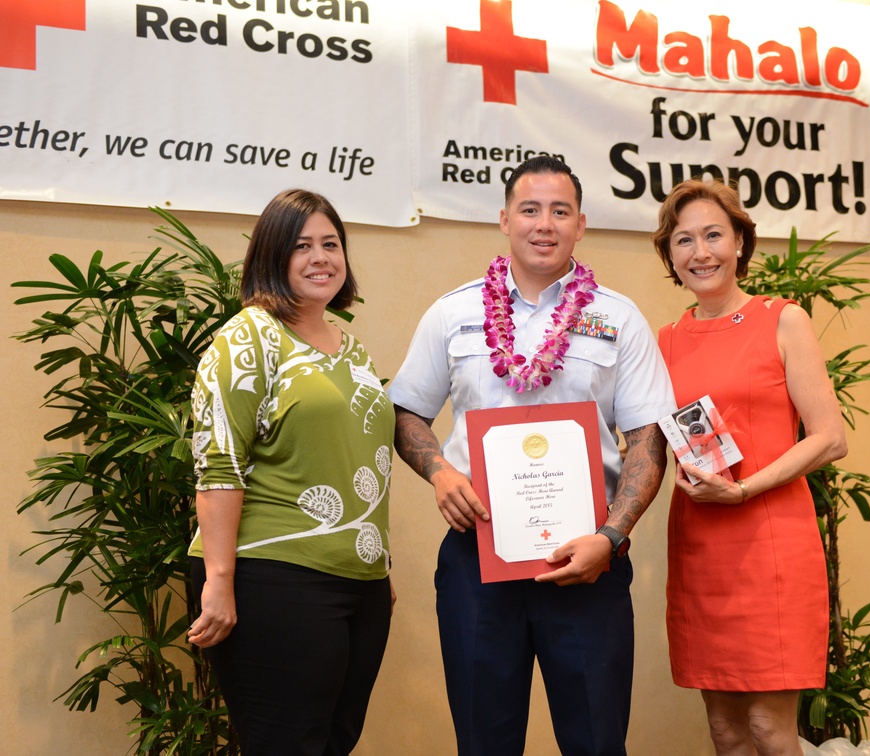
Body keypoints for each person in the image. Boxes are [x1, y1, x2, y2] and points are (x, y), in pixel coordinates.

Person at [387, 156, 674, 755]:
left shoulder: (618, 319)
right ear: (504, 220)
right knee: (484, 743)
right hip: (477, 562)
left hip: (589, 562)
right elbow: (406, 409)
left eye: (560, 210)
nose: (545, 223)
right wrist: (439, 471)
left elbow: (648, 438)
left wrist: (613, 535)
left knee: (596, 742)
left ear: (581, 224)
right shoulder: (453, 313)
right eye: (530, 209)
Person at [186, 189, 395, 755]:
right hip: (274, 579)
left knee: (333, 743)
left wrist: (373, 561)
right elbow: (219, 466)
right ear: (272, 255)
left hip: (360, 586)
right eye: (302, 246)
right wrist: (220, 581)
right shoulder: (247, 337)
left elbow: (350, 457)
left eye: (331, 244)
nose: (321, 257)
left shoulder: (349, 349)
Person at [653, 179, 847, 756]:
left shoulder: (783, 319)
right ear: (670, 256)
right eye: (683, 240)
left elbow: (830, 438)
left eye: (714, 234)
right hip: (700, 547)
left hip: (771, 545)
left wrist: (744, 491)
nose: (700, 252)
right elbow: (648, 442)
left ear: (740, 241)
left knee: (768, 726)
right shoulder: (664, 340)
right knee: (726, 730)